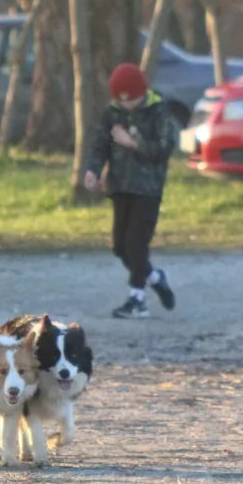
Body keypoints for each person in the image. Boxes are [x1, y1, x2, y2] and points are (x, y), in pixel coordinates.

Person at [84, 62, 177, 320]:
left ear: (141, 94)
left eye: (131, 100)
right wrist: (93, 170)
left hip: (147, 190)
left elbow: (165, 147)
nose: (126, 105)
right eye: (121, 101)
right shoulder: (112, 113)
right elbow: (100, 144)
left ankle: (137, 301)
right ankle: (156, 278)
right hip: (119, 187)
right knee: (120, 247)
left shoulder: (158, 110)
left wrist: (133, 143)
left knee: (136, 245)